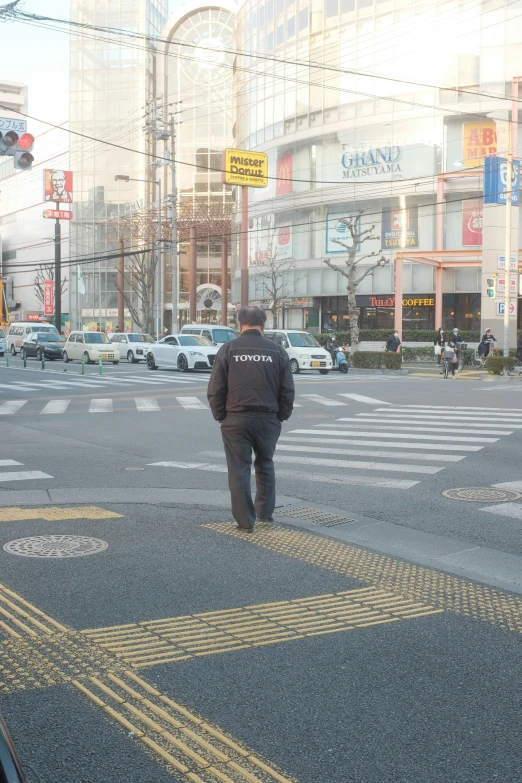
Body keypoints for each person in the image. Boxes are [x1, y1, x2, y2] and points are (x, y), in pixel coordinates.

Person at [207, 305, 295, 532]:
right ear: (264, 324)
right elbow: (287, 389)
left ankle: (245, 521)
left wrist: (220, 416)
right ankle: (264, 513)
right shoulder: (277, 351)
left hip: (235, 418)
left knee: (238, 469)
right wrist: (282, 416)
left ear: (240, 324)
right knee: (265, 463)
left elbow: (216, 389)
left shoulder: (228, 349)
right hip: (268, 419)